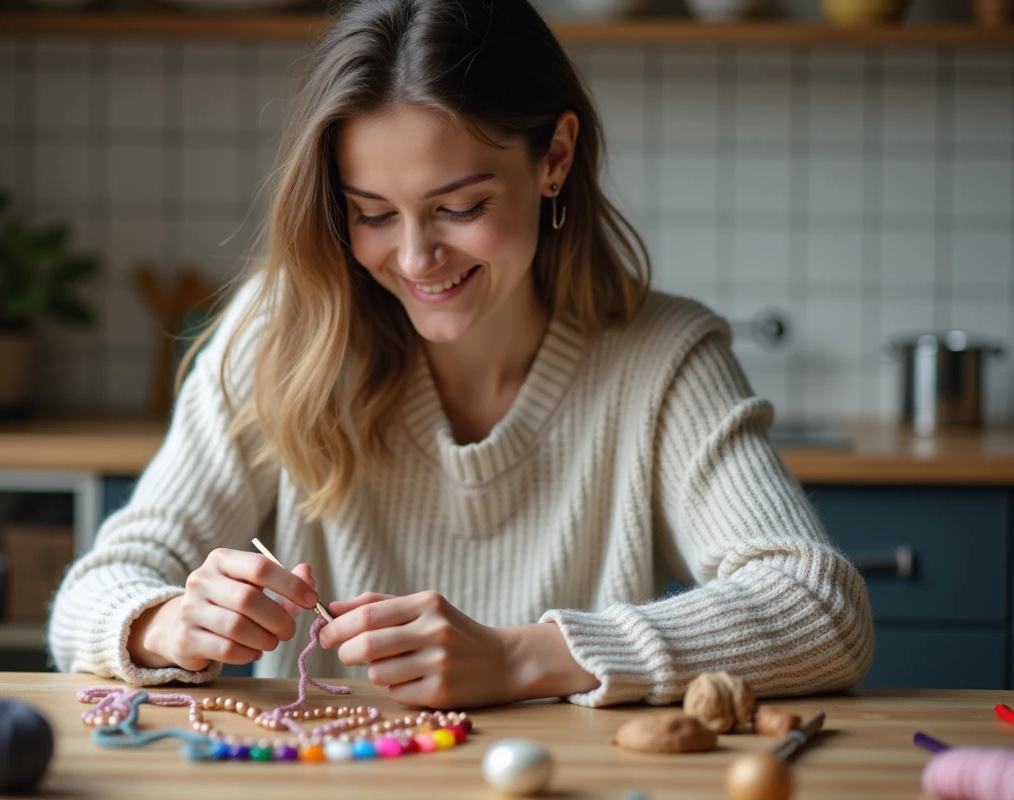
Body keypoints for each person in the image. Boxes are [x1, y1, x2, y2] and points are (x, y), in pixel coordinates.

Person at [48, 0, 874, 710]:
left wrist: (520, 658)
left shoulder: (662, 360)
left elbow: (821, 610)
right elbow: (92, 594)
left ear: (554, 158)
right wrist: (165, 626)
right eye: (371, 214)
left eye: (461, 206)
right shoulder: (279, 332)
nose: (414, 259)